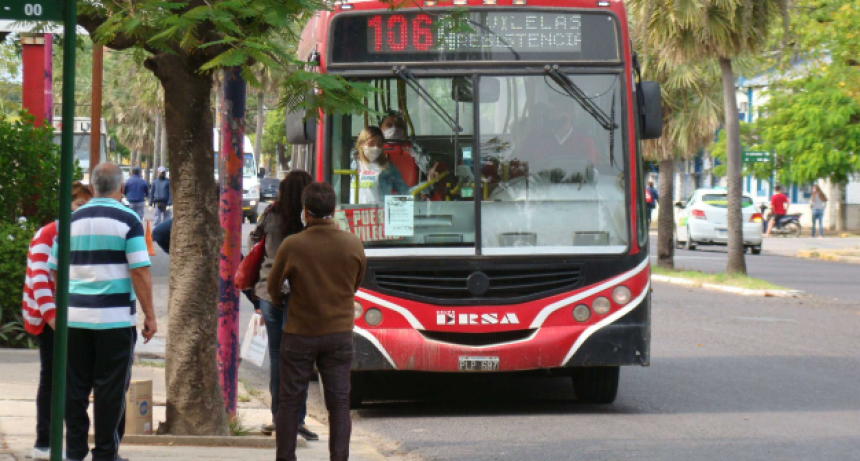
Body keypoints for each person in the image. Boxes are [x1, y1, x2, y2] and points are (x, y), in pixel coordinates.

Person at [48, 163, 158, 461]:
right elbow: (140, 271)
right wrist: (150, 315)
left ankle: (74, 452)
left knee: (75, 388)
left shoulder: (69, 221)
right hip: (115, 322)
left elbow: (54, 269)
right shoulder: (129, 220)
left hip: (75, 322)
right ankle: (106, 454)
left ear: (93, 187)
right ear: (121, 188)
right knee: (110, 391)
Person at [268, 182, 367, 461]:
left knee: (290, 401)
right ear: (333, 211)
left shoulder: (293, 245)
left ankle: (286, 457)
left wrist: (280, 302)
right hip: (338, 334)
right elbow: (355, 283)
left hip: (299, 333)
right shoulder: (352, 243)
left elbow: (274, 286)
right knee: (339, 403)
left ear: (305, 212)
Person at [23, 181, 92, 461]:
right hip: (48, 320)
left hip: (68, 318)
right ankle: (43, 442)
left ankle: (55, 441)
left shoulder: (76, 234)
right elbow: (40, 281)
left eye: (87, 206)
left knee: (66, 379)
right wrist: (54, 320)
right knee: (52, 378)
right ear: (66, 205)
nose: (82, 211)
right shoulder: (48, 234)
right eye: (78, 205)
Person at [248, 170, 318, 441]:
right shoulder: (309, 219)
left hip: (269, 292)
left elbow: (254, 241)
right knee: (300, 359)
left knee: (277, 358)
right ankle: (298, 419)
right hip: (301, 296)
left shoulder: (271, 214)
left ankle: (280, 418)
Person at [350, 126, 410, 204]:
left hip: (378, 213)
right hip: (352, 212)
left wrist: (425, 188)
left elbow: (405, 191)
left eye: (379, 144)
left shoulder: (387, 168)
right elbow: (338, 190)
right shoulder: (351, 166)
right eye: (371, 144)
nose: (376, 148)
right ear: (361, 143)